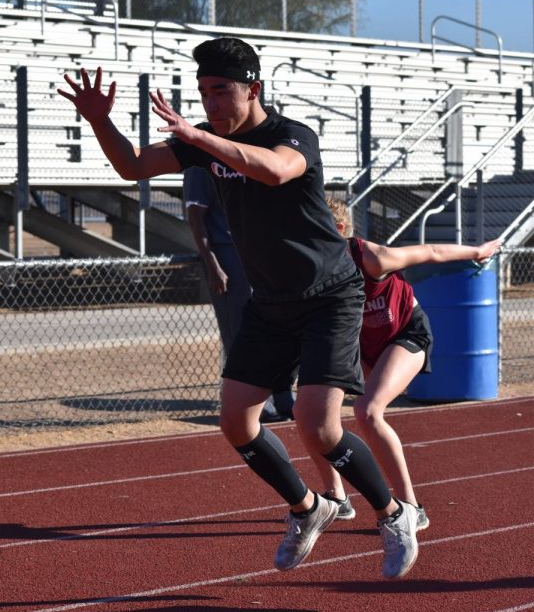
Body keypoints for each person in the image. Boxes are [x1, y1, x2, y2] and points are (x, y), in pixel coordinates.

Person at [58, 36, 419, 579]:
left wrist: (197, 136)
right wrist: (99, 121)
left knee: (318, 427)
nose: (210, 103)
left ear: (254, 89)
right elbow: (132, 166)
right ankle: (308, 507)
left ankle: (395, 514)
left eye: (221, 91)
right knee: (235, 421)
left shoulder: (292, 135)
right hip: (270, 302)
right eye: (203, 93)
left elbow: (273, 170)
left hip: (328, 295)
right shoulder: (205, 141)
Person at [309, 197, 501, 529]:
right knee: (311, 414)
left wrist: (477, 251)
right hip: (360, 343)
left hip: (405, 334)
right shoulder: (311, 264)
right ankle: (336, 497)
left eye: (313, 225)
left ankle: (411, 506)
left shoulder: (371, 256)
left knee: (367, 411)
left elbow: (431, 253)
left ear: (338, 229)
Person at [183, 166, 295, 422]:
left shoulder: (242, 156)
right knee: (240, 334)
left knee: (277, 328)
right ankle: (253, 401)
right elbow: (195, 216)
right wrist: (213, 265)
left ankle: (281, 393)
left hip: (259, 254)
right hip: (228, 258)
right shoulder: (200, 166)